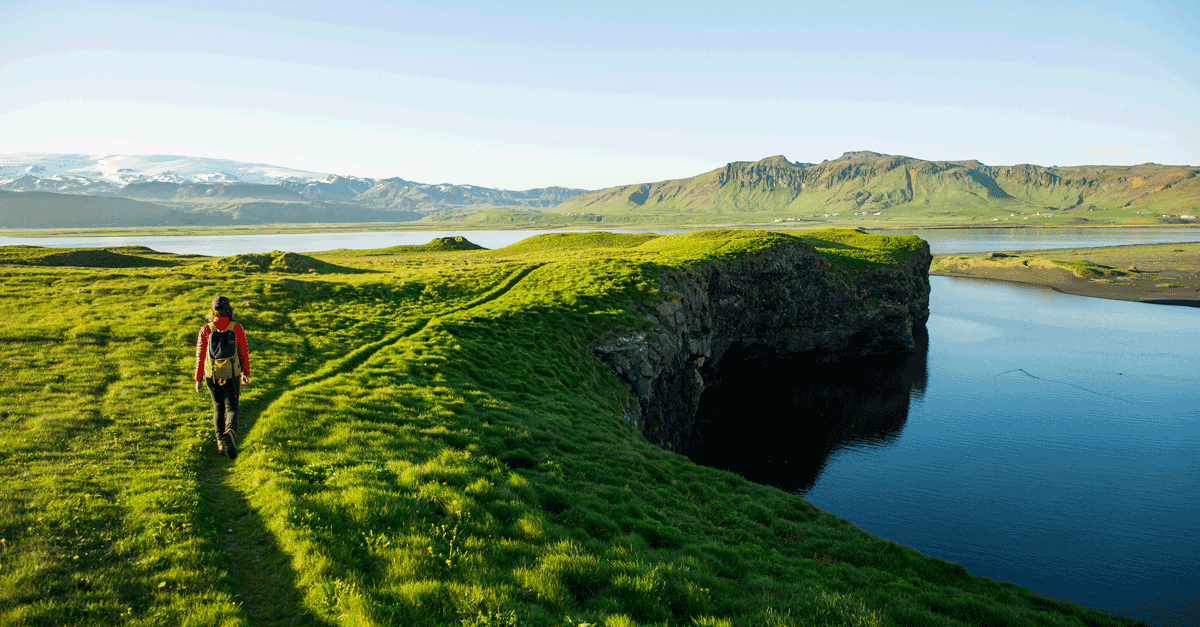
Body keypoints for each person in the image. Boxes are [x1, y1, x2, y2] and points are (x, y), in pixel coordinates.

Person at [194, 296, 251, 459]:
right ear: (229, 310)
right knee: (232, 407)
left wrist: (198, 379)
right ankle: (230, 433)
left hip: (212, 375)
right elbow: (243, 352)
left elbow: (199, 356)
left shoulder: (206, 329)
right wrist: (245, 373)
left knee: (218, 407)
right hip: (231, 374)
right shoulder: (237, 328)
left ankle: (220, 444)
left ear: (213, 311)